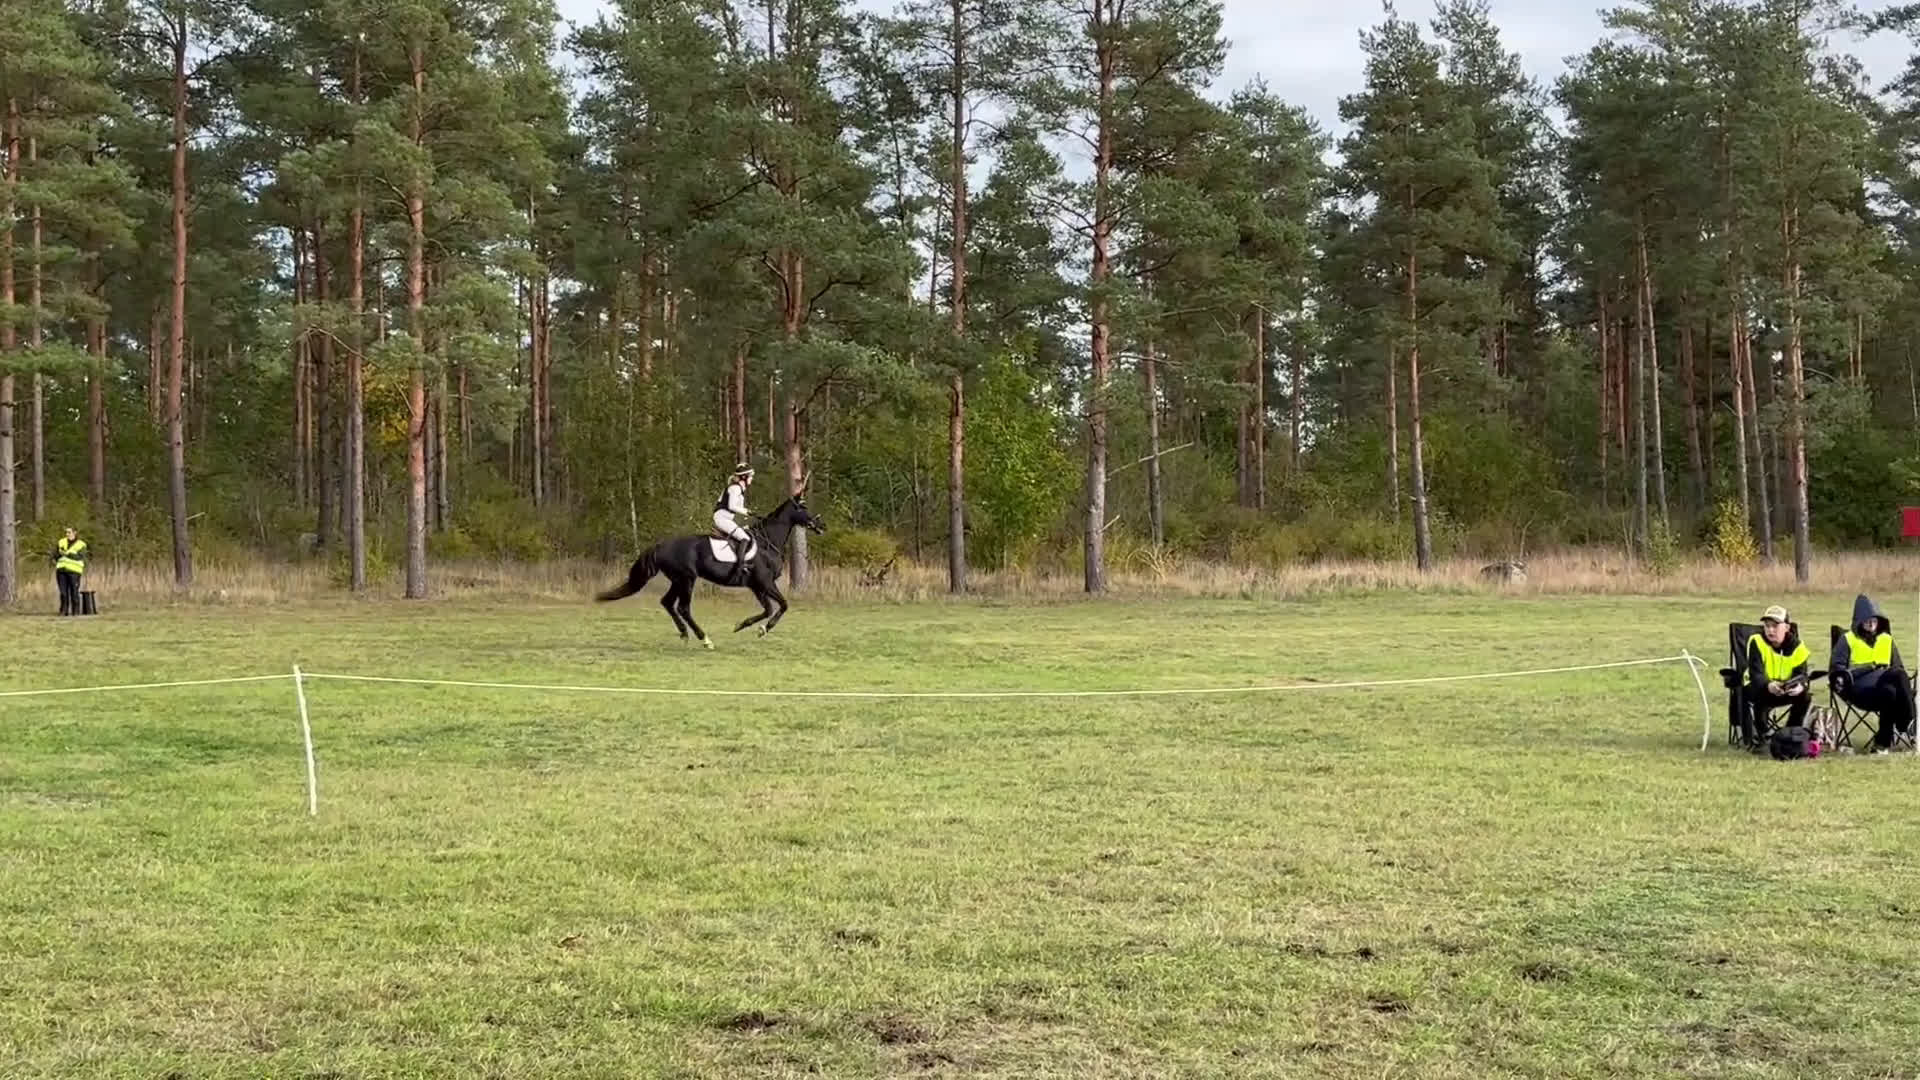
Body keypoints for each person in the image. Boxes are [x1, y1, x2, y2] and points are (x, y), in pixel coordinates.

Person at [1830, 593, 1915, 754]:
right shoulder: (1847, 639)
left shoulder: (1886, 639)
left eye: (1874, 620)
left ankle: (1881, 743)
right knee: (1895, 679)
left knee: (1893, 685)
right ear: (1858, 621)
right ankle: (1907, 723)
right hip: (1859, 690)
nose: (1871, 623)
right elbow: (1836, 671)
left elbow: (1899, 668)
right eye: (1867, 620)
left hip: (1885, 688)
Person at [1744, 605, 1811, 746]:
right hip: (1760, 687)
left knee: (1804, 696)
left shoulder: (1798, 647)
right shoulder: (1757, 641)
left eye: (1775, 626)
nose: (1770, 630)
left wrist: (1799, 686)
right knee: (1759, 692)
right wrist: (1769, 685)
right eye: (1767, 626)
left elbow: (1802, 675)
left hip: (1785, 689)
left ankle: (1790, 734)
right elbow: (1756, 674)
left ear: (1786, 628)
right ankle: (1763, 735)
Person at [713, 463, 755, 581]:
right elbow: (732, 506)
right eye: (750, 476)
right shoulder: (735, 488)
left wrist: (748, 516)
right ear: (744, 477)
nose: (752, 479)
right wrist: (748, 512)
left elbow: (739, 511)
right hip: (721, 518)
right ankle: (739, 567)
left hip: (727, 518)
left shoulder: (740, 489)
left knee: (745, 533)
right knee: (744, 538)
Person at [53, 527, 87, 617]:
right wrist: (58, 555)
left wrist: (68, 554)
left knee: (74, 591)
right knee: (63, 592)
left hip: (74, 571)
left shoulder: (81, 544)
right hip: (61, 570)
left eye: (69, 532)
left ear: (75, 533)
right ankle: (64, 611)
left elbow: (80, 557)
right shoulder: (61, 542)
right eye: (66, 532)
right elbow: (55, 555)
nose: (67, 534)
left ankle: (75, 611)